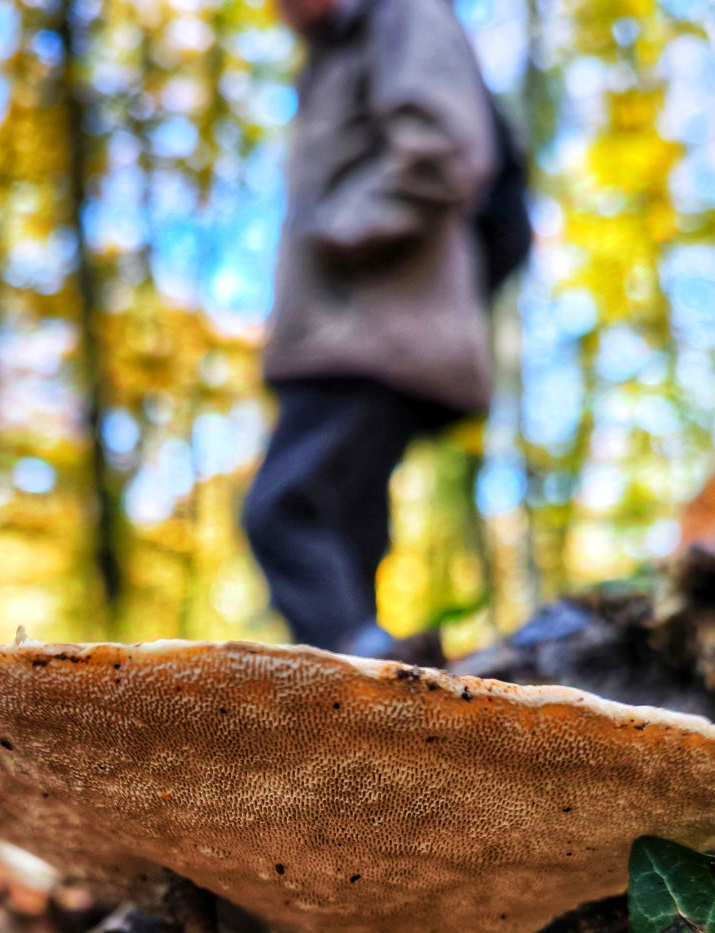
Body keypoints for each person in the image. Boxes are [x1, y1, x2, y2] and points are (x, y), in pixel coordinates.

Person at [244, 0, 496, 665]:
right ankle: (365, 708)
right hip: (349, 335)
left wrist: (343, 230)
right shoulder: (328, 55)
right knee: (346, 532)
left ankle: (361, 685)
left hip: (374, 333)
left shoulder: (403, 16)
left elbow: (445, 145)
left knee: (280, 508)